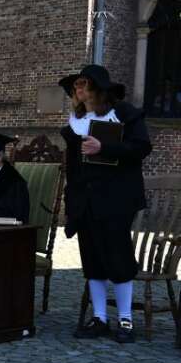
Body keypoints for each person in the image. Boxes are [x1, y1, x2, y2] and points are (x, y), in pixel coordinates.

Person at [58, 64, 152, 344]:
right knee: (92, 260)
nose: (78, 89)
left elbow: (141, 147)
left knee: (118, 259)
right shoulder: (74, 124)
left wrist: (105, 147)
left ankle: (125, 319)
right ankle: (99, 317)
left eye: (84, 83)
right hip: (85, 201)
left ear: (99, 88)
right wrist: (71, 203)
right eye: (76, 85)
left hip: (116, 199)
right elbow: (73, 169)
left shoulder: (124, 114)